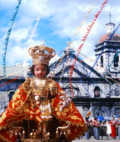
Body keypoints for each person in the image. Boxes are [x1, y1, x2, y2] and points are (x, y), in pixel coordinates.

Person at [0, 45, 87, 142]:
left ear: (47, 70)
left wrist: (63, 106)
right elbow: (19, 97)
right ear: (33, 70)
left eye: (43, 69)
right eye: (37, 69)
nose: (40, 72)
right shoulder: (28, 83)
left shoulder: (52, 84)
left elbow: (59, 98)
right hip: (31, 112)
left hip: (48, 111)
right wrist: (17, 110)